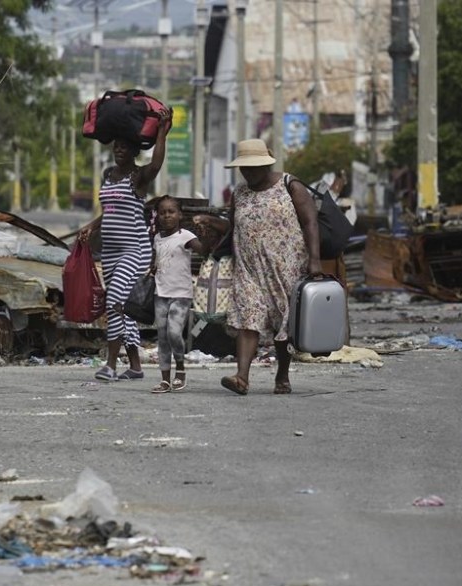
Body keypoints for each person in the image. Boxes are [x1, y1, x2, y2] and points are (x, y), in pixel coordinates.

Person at [219, 138, 322, 396]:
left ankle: (282, 376)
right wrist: (211, 226)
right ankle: (242, 377)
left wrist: (315, 259)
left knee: (282, 320)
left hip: (286, 266)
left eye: (254, 167)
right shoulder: (239, 193)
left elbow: (310, 222)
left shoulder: (290, 185)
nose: (249, 172)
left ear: (266, 164)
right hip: (249, 268)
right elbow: (233, 228)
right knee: (247, 317)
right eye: (245, 168)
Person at [79, 107, 173, 382]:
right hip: (110, 251)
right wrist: (91, 226)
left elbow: (156, 164)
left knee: (116, 300)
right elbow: (109, 209)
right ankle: (135, 366)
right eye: (116, 147)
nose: (119, 151)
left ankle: (110, 364)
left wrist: (162, 133)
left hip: (135, 250)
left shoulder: (139, 177)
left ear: (133, 152)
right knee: (125, 307)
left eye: (124, 148)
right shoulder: (109, 175)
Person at [149, 196, 209, 393]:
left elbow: (203, 250)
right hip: (161, 293)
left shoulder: (186, 236)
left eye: (171, 211)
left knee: (174, 333)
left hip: (181, 294)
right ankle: (165, 379)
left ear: (180, 215)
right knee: (163, 337)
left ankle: (180, 370)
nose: (167, 215)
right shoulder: (157, 238)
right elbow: (155, 262)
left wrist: (204, 235)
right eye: (163, 212)